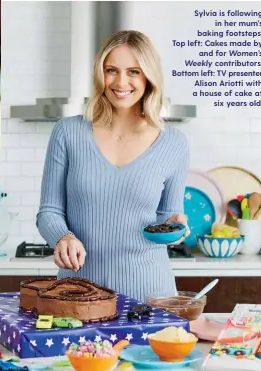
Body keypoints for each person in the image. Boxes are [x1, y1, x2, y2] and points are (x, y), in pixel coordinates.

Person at [36, 30, 190, 302]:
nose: (121, 82)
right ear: (100, 74)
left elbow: (168, 216)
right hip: (79, 293)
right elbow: (49, 211)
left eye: (133, 71)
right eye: (111, 70)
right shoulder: (68, 133)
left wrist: (176, 228)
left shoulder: (174, 143)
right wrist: (62, 237)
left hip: (150, 295)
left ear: (149, 76)